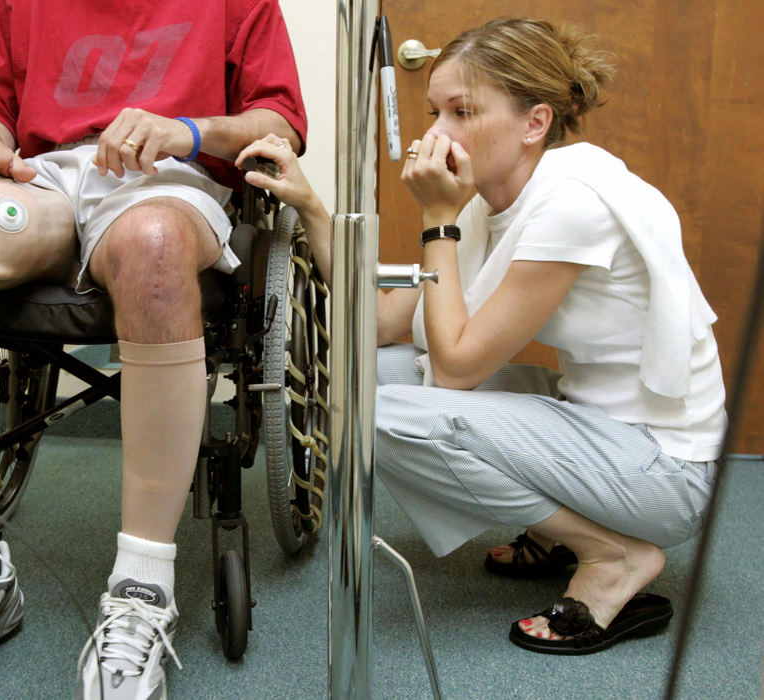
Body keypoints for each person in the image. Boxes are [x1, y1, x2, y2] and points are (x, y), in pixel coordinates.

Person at [237, 17, 725, 656]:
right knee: (371, 375)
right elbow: (385, 323)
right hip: (597, 424)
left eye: (461, 112)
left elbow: (459, 365)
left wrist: (437, 220)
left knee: (380, 411)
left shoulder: (571, 202)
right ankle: (570, 526)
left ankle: (613, 554)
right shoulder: (488, 200)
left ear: (535, 123)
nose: (436, 133)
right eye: (435, 111)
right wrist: (312, 206)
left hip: (663, 471)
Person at [0, 2, 306, 698]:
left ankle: (141, 587)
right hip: (43, 180)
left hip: (164, 176)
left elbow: (277, 123)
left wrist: (188, 131)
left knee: (152, 245)